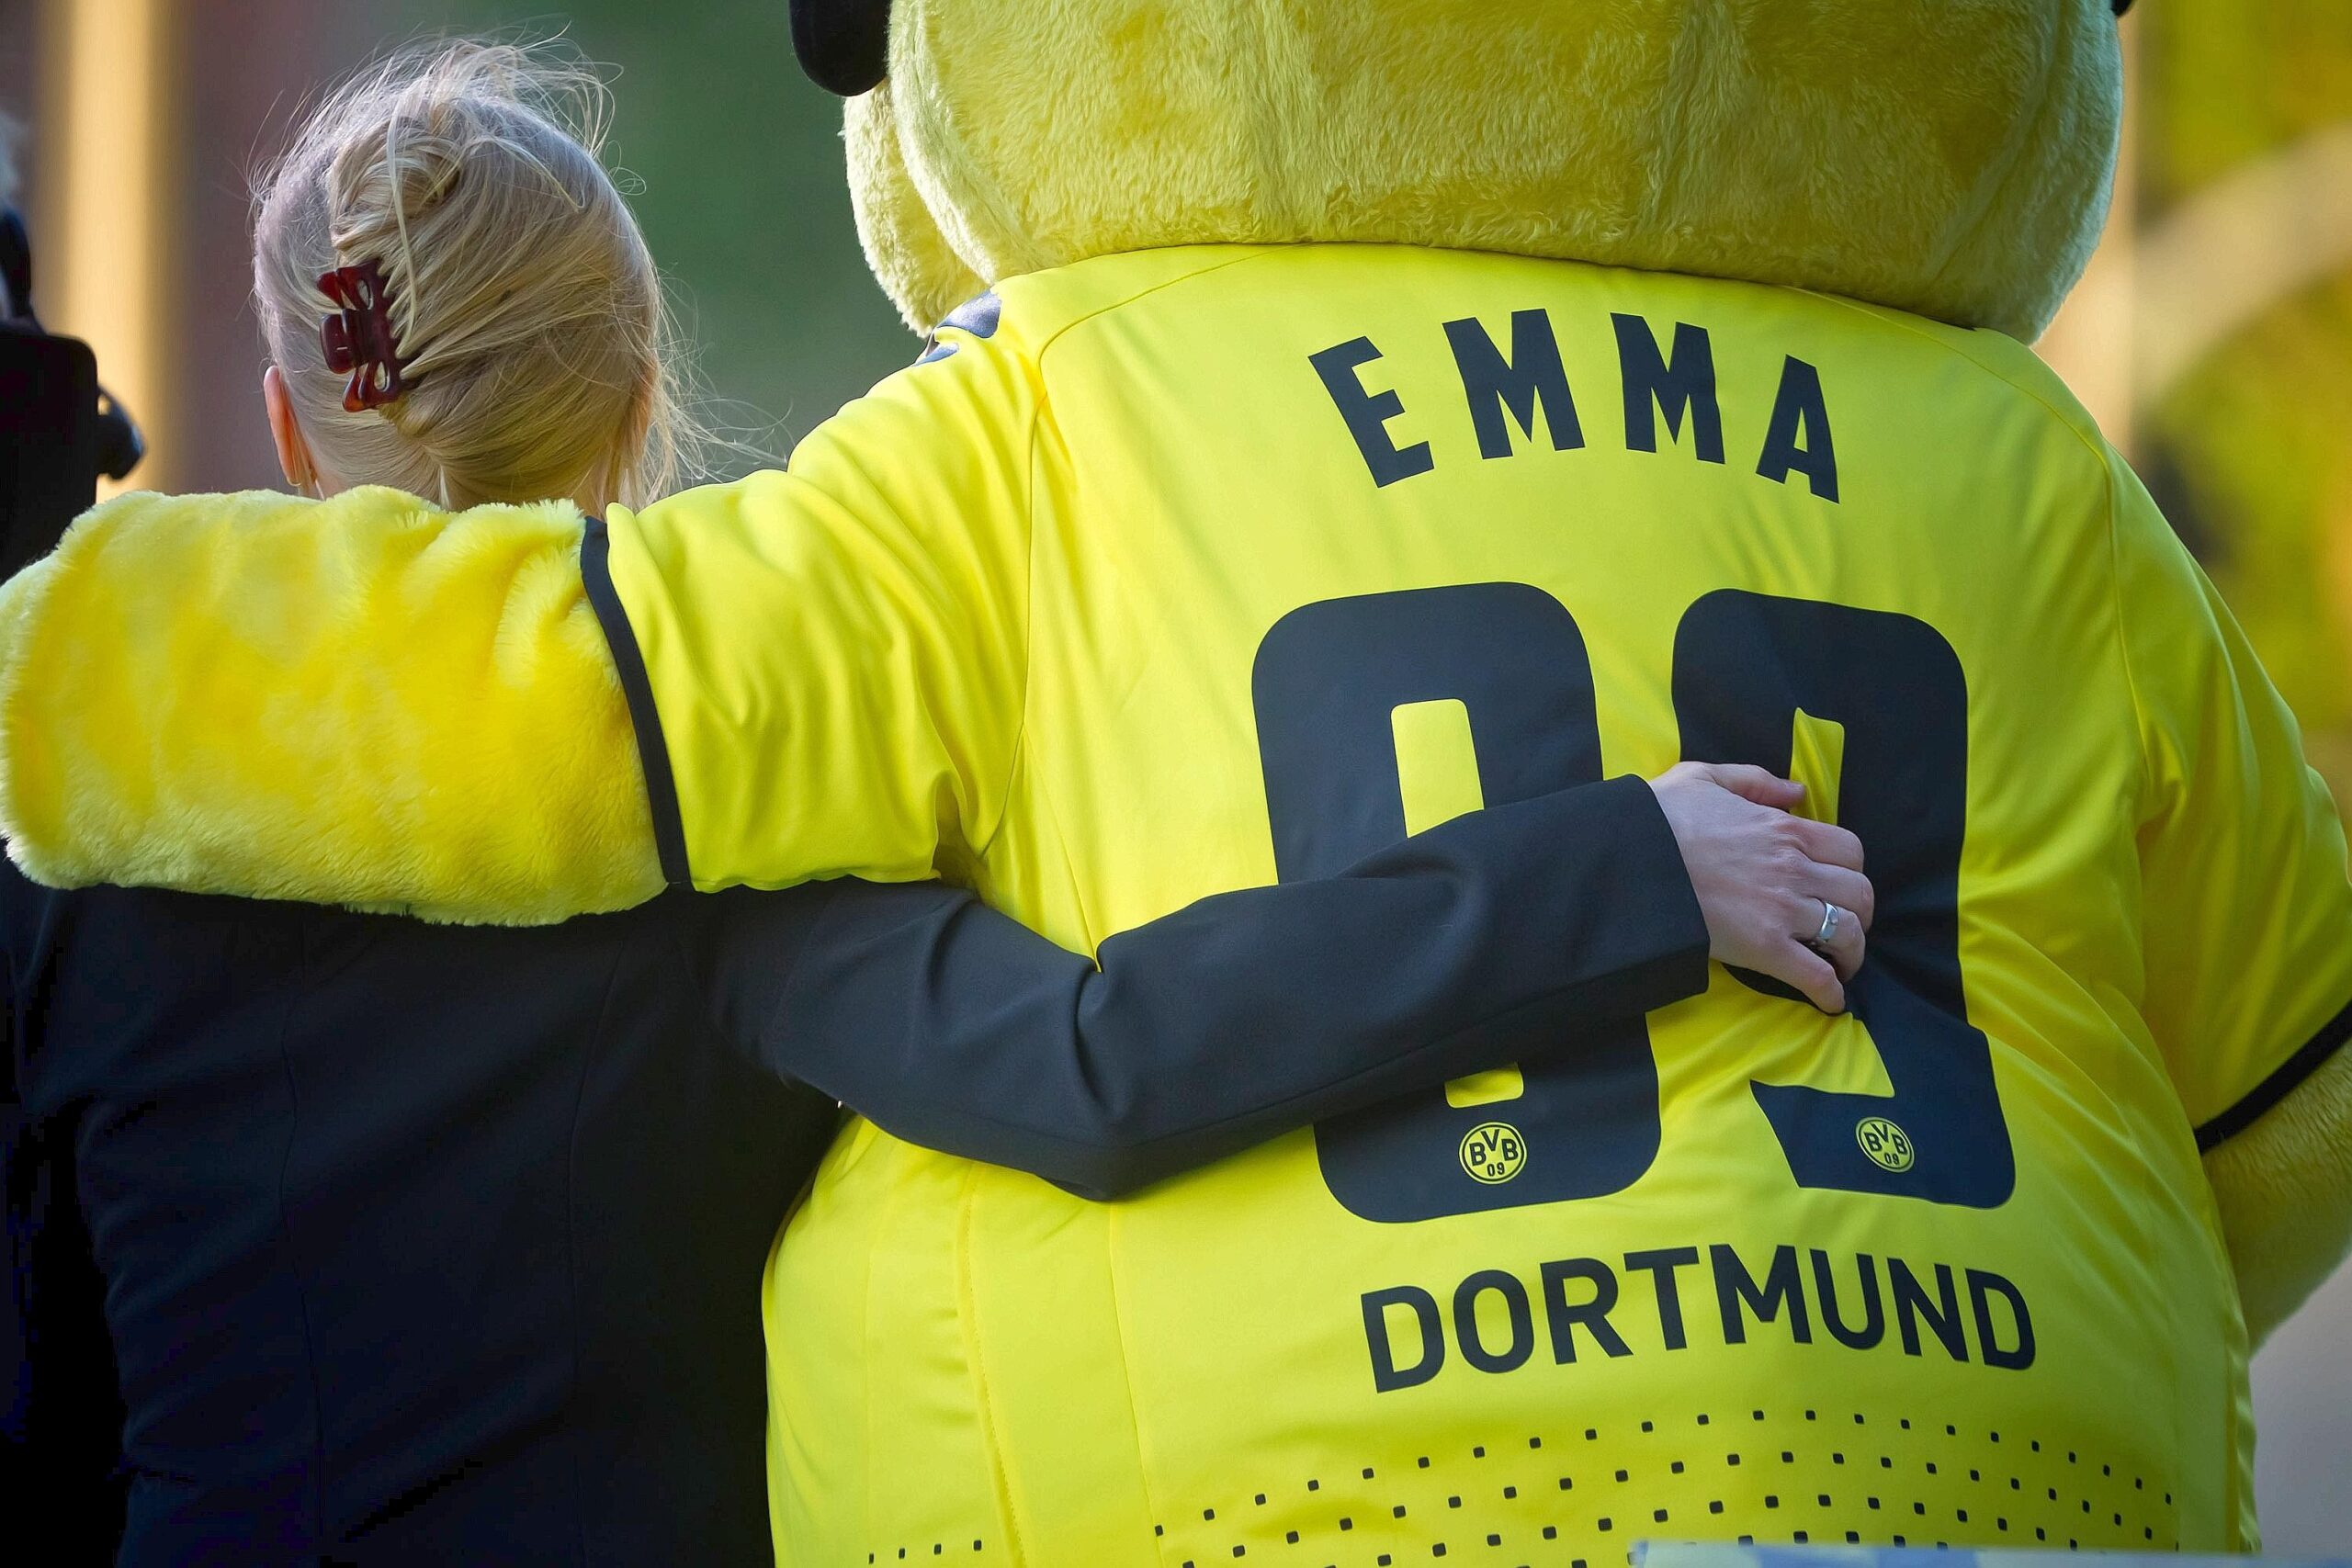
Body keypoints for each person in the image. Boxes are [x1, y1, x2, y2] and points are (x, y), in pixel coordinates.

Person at [0, 45, 1874, 1565]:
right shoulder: (726, 821)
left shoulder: (71, 865)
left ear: (279, 412)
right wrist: (1619, 867)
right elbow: (1100, 1059)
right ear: (639, 398)